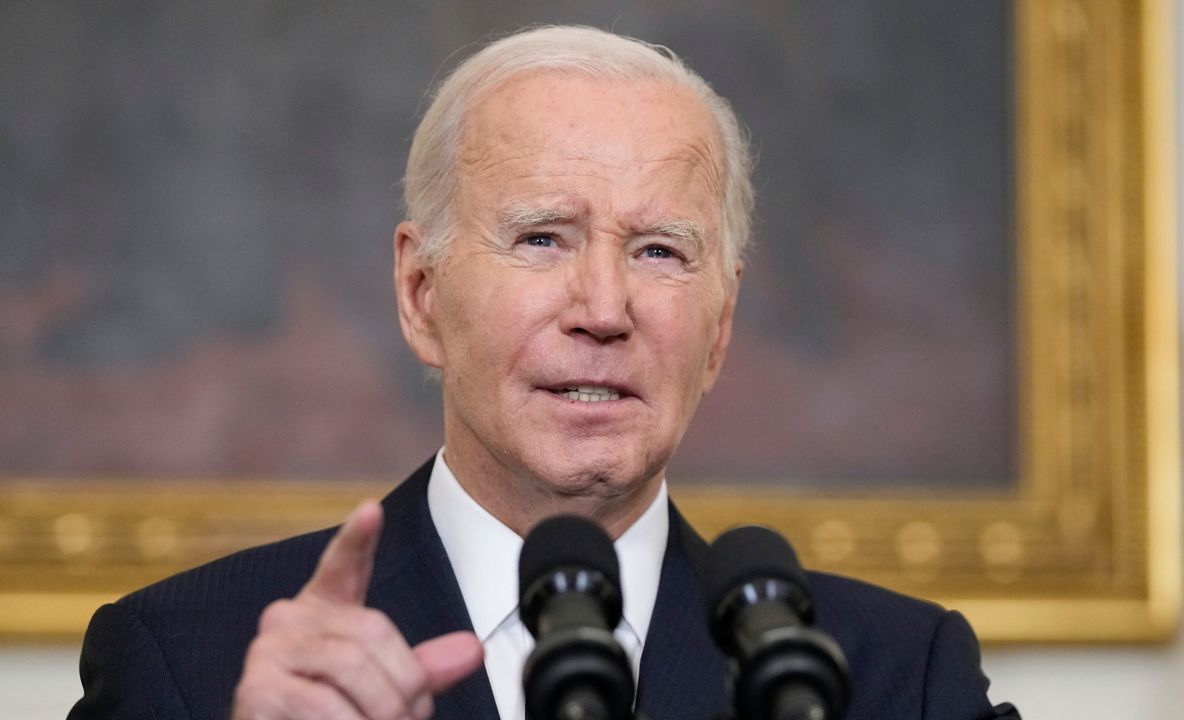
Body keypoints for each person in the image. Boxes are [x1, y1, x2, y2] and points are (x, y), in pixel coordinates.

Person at [69, 25, 1018, 720]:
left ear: (721, 326)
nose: (603, 309)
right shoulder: (193, 665)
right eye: (541, 238)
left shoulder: (897, 678)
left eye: (658, 251)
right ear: (419, 292)